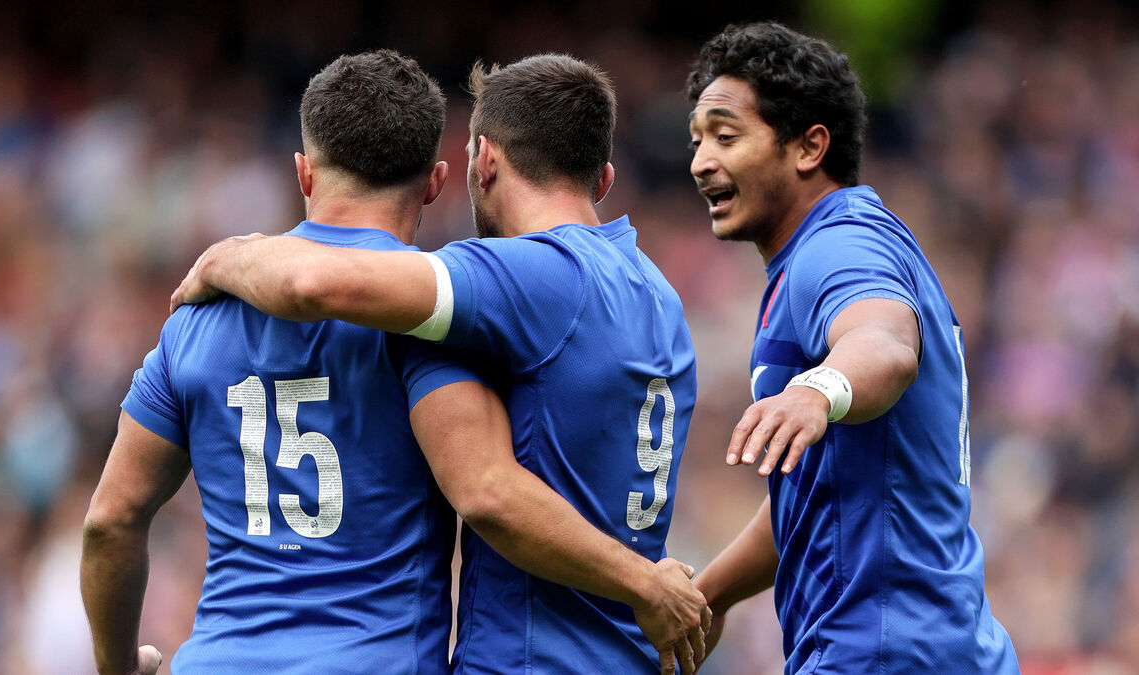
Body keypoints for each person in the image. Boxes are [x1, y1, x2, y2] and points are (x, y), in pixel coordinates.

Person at [82, 50, 707, 675]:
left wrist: (116, 666)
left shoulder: (194, 322)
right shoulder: (634, 302)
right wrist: (647, 582)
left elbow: (109, 522)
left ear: (304, 173)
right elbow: (483, 485)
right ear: (435, 182)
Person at [683, 22, 1019, 673]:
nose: (700, 161)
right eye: (696, 140)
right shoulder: (819, 254)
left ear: (809, 146)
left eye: (725, 136)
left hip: (884, 650)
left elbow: (885, 343)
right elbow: (817, 496)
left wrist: (818, 389)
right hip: (927, 646)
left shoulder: (838, 245)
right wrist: (711, 594)